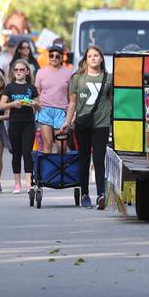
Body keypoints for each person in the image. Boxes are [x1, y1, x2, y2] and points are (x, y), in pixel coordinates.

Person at [65, 45, 112, 209]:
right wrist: (67, 121)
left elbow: (112, 101)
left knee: (99, 160)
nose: (93, 58)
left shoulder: (109, 78)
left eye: (96, 55)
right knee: (84, 159)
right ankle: (85, 194)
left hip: (102, 124)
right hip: (82, 124)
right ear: (85, 59)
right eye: (90, 56)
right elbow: (72, 102)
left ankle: (101, 194)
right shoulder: (77, 78)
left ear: (101, 58)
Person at [0, 59, 39, 194]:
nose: (18, 72)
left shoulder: (31, 88)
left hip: (28, 123)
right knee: (16, 154)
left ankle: (29, 184)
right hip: (14, 123)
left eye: (21, 70)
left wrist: (32, 103)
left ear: (27, 72)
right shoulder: (9, 87)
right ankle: (17, 184)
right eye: (16, 70)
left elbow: (39, 106)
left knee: (27, 153)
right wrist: (12, 104)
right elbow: (2, 105)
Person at [34, 43, 73, 154]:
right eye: (51, 55)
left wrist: (71, 115)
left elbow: (71, 97)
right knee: (48, 144)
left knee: (62, 146)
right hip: (45, 110)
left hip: (61, 111)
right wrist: (37, 108)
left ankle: (61, 170)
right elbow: (37, 93)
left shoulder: (68, 72)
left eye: (57, 56)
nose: (54, 58)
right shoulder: (41, 72)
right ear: (48, 56)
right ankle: (49, 171)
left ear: (62, 58)